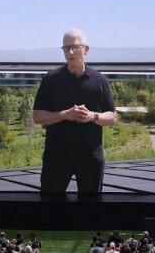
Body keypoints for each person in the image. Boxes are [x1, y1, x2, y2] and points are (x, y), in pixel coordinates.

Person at [32, 28, 117, 194]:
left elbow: (112, 117)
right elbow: (37, 117)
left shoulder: (100, 80)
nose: (70, 52)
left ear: (86, 49)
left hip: (91, 159)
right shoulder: (50, 79)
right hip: (56, 158)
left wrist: (93, 116)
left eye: (75, 47)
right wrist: (65, 115)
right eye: (66, 48)